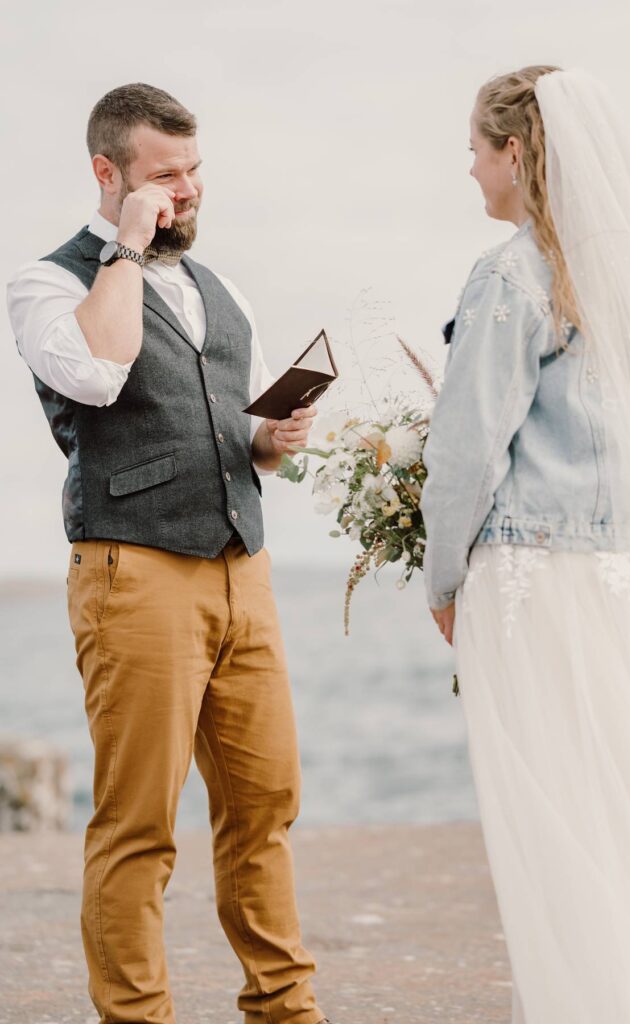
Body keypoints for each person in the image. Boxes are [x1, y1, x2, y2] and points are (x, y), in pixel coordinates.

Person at [7, 83, 332, 1024]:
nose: (186, 192)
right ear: (107, 175)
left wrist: (273, 435)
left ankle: (284, 1007)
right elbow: (99, 373)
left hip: (244, 567)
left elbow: (238, 425)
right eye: (164, 177)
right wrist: (127, 247)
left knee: (265, 805)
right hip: (131, 572)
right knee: (138, 824)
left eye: (194, 174)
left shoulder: (216, 287)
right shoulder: (49, 280)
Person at [421, 65, 630, 1022]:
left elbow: (465, 451)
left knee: (558, 818)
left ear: (517, 152)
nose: (473, 174)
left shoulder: (511, 275)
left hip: (534, 574)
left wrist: (441, 579)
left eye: (476, 154)